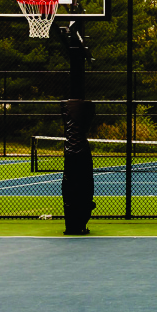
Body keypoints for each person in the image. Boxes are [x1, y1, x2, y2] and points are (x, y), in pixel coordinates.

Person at [62, 98, 96, 235]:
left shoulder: (76, 146)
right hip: (77, 156)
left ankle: (76, 223)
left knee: (79, 186)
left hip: (76, 156)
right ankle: (75, 224)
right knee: (77, 186)